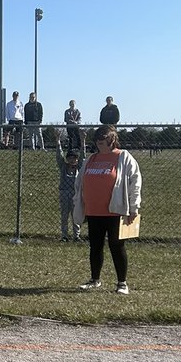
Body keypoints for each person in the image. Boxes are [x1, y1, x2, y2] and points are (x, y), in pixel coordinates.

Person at [73, 125, 141, 294]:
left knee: (116, 246)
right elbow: (79, 182)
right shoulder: (91, 159)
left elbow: (135, 183)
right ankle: (95, 279)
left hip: (115, 211)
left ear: (112, 141)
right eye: (97, 142)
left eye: (103, 142)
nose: (99, 145)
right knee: (95, 246)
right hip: (94, 211)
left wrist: (134, 207)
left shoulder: (123, 157)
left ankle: (122, 283)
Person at [55, 139, 83, 241]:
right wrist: (58, 141)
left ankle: (76, 235)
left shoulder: (79, 168)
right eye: (70, 158)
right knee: (64, 215)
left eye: (74, 158)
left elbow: (83, 158)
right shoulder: (63, 167)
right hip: (64, 192)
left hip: (75, 194)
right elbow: (59, 157)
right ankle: (64, 235)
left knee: (75, 215)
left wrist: (82, 141)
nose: (72, 160)